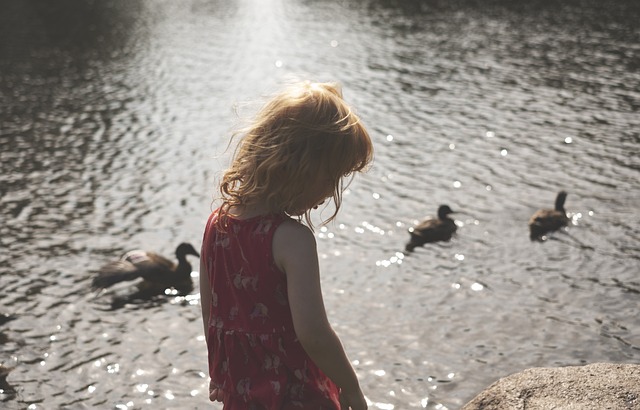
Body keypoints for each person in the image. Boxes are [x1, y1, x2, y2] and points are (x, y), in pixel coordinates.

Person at [200, 81, 373, 409]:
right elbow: (314, 334)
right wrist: (351, 387)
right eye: (329, 178)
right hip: (296, 394)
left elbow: (211, 310)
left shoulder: (216, 224)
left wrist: (219, 369)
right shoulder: (292, 239)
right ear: (298, 167)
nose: (329, 194)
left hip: (242, 391)